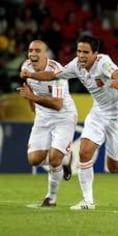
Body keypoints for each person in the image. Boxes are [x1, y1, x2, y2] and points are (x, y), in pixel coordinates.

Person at [20, 35, 118, 210]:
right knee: (84, 152)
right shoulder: (76, 65)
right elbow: (53, 75)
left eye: (85, 52)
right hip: (98, 112)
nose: (81, 55)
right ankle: (88, 201)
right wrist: (31, 74)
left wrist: (116, 80)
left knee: (114, 167)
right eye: (79, 51)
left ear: (95, 53)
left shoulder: (103, 62)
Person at [17, 40, 77, 207]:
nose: (33, 54)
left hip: (63, 116)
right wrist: (33, 109)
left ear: (45, 54)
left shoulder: (57, 71)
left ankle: (51, 197)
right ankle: (65, 159)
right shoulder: (26, 67)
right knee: (34, 160)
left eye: (37, 50)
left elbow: (57, 105)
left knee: (54, 158)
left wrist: (33, 98)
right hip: (43, 117)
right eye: (30, 50)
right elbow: (29, 89)